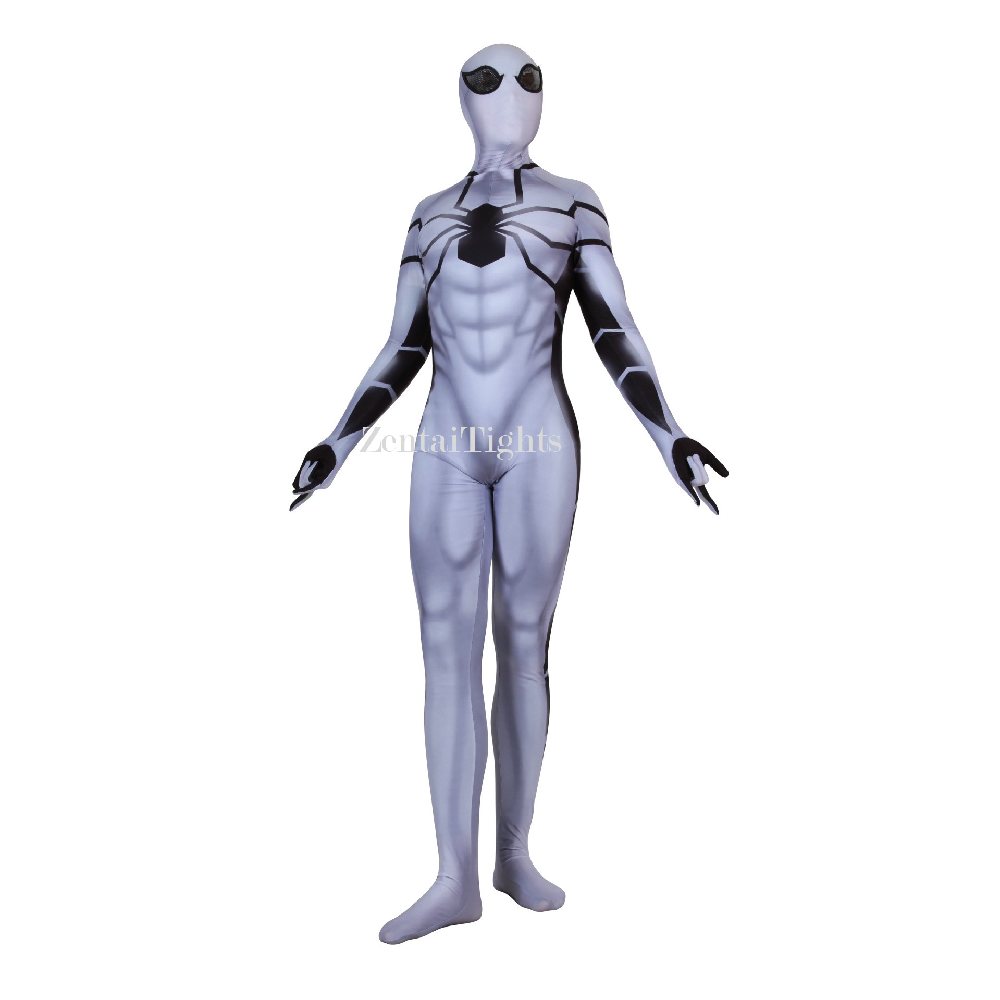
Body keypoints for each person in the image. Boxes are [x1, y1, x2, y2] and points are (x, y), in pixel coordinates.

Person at [290, 42, 728, 944]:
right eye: (486, 79)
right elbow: (404, 345)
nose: (509, 93)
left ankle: (513, 855)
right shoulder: (427, 215)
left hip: (539, 439)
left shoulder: (574, 203)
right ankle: (453, 877)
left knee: (524, 641)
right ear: (458, 96)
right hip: (445, 439)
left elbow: (613, 327)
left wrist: (671, 435)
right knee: (443, 648)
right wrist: (338, 441)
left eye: (528, 77)